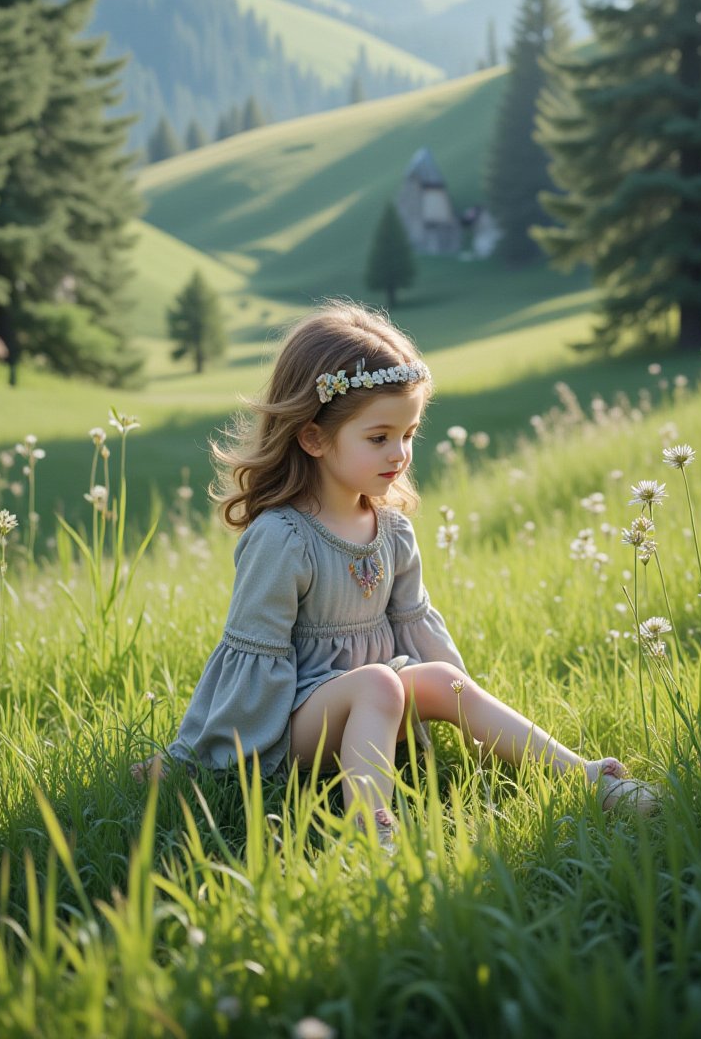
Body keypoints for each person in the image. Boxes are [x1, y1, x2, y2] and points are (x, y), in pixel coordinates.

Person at [133, 300, 657, 840]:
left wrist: (448, 701)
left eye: (408, 434)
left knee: (440, 681)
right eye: (378, 437)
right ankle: (371, 828)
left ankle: (585, 777)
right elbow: (249, 659)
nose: (400, 454)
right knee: (380, 685)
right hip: (288, 724)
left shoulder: (392, 530)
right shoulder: (283, 539)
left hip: (373, 702)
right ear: (313, 437)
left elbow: (417, 628)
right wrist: (199, 758)